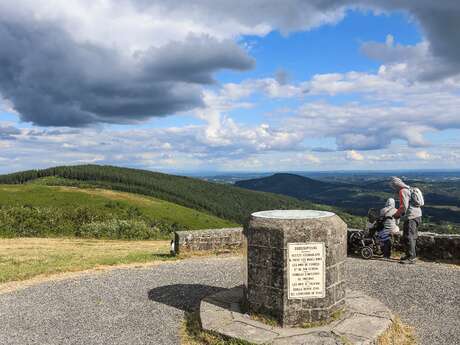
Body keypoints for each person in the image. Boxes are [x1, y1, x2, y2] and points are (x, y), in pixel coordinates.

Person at [390, 177, 423, 264]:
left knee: (408, 237)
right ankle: (410, 255)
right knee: (413, 237)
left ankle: (411, 257)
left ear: (396, 185)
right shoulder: (409, 189)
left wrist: (397, 215)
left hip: (411, 216)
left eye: (393, 186)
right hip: (418, 215)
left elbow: (403, 207)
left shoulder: (402, 191)